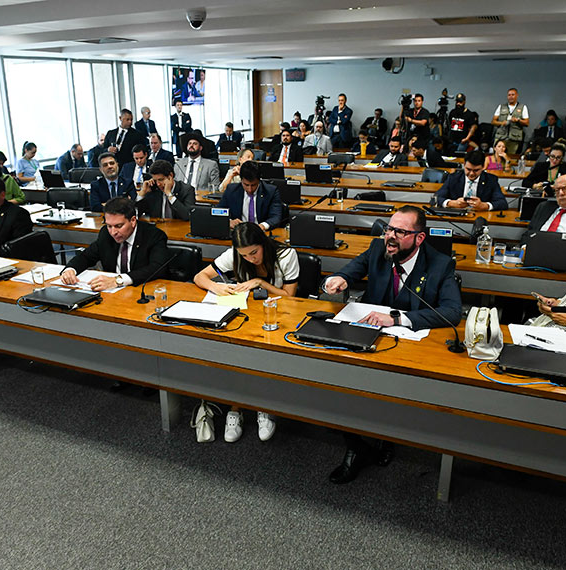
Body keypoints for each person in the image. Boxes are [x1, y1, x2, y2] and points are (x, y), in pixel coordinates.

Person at [322, 205, 462, 483]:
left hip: (412, 342)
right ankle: (356, 446)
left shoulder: (440, 264)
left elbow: (452, 312)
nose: (390, 236)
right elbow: (350, 271)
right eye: (389, 229)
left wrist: (398, 317)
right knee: (337, 380)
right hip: (369, 333)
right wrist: (337, 279)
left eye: (400, 231)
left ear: (419, 238)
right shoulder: (378, 250)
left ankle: (384, 436)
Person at [193, 222, 299, 442]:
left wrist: (260, 282)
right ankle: (236, 407)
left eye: (254, 253)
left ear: (263, 243)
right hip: (246, 315)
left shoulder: (286, 255)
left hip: (280, 316)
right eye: (245, 255)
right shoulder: (235, 254)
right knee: (235, 353)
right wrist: (217, 287)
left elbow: (290, 296)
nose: (251, 259)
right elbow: (199, 277)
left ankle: (262, 405)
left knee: (261, 356)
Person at [61, 196, 171, 291]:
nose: (113, 232)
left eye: (119, 226)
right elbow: (86, 256)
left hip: (142, 291)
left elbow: (157, 268)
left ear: (133, 221)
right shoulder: (105, 233)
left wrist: (118, 280)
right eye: (109, 226)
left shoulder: (153, 235)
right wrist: (70, 269)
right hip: (111, 293)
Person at [217, 161, 282, 231]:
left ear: (259, 181)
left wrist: (262, 226)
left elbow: (276, 217)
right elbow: (218, 211)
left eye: (253, 185)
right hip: (238, 233)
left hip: (261, 233)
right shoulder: (231, 190)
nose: (250, 189)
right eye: (246, 185)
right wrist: (229, 221)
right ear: (241, 180)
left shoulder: (271, 191)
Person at [434, 150, 507, 211]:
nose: (471, 174)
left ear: (483, 167)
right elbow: (436, 198)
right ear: (464, 165)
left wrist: (484, 206)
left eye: (476, 170)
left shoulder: (491, 180)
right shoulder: (453, 178)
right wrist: (451, 203)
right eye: (468, 169)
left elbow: (502, 203)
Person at [492, 88, 529, 155]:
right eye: (509, 95)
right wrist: (501, 123)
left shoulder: (523, 107)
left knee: (510, 157)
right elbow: (493, 121)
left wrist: (518, 120)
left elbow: (527, 123)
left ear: (517, 95)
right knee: (497, 157)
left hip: (514, 139)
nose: (511, 97)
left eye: (513, 95)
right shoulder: (501, 107)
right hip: (501, 137)